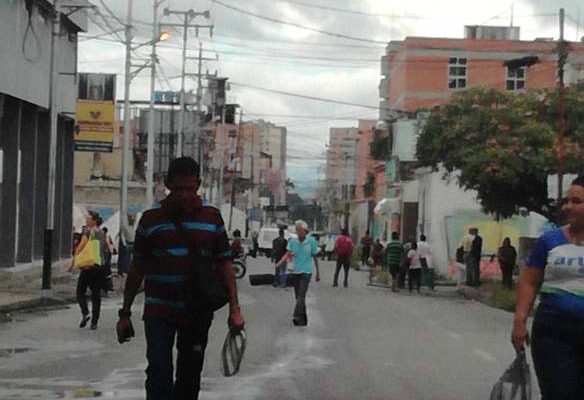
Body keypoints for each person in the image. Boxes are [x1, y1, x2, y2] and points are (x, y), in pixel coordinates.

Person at [116, 157, 244, 400]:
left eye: (190, 188)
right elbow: (137, 267)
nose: (185, 195)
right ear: (168, 185)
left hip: (197, 310)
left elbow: (225, 264)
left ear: (198, 185)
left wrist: (235, 309)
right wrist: (125, 312)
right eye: (179, 189)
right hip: (159, 310)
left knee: (189, 375)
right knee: (158, 371)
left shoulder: (211, 217)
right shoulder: (151, 219)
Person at [512, 176, 584, 399]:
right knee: (559, 393)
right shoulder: (549, 241)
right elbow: (530, 282)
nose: (568, 206)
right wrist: (519, 321)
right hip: (553, 331)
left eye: (576, 201)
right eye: (566, 201)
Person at [275, 220, 319, 326]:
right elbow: (288, 254)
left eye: (300, 230)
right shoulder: (293, 242)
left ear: (305, 231)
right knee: (298, 297)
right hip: (296, 272)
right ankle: (303, 319)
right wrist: (280, 263)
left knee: (301, 296)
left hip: (306, 272)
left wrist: (318, 272)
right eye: (297, 230)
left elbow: (315, 256)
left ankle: (297, 316)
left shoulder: (311, 241)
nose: (298, 232)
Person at [73, 210, 107, 330]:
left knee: (80, 291)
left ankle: (85, 312)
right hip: (99, 266)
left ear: (93, 220)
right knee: (96, 294)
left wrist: (74, 261)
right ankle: (94, 322)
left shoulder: (88, 232)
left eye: (88, 218)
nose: (86, 220)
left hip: (88, 266)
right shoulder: (102, 233)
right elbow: (107, 249)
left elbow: (80, 248)